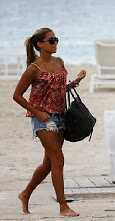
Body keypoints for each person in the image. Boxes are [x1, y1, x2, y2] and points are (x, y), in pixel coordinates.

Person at [13, 28, 86, 216]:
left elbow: (59, 89)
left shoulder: (59, 62)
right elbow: (17, 95)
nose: (55, 43)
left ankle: (25, 193)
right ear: (40, 44)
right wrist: (37, 112)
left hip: (61, 116)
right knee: (58, 159)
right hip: (44, 119)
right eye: (51, 40)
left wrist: (75, 81)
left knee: (48, 163)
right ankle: (63, 206)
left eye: (56, 39)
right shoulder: (33, 69)